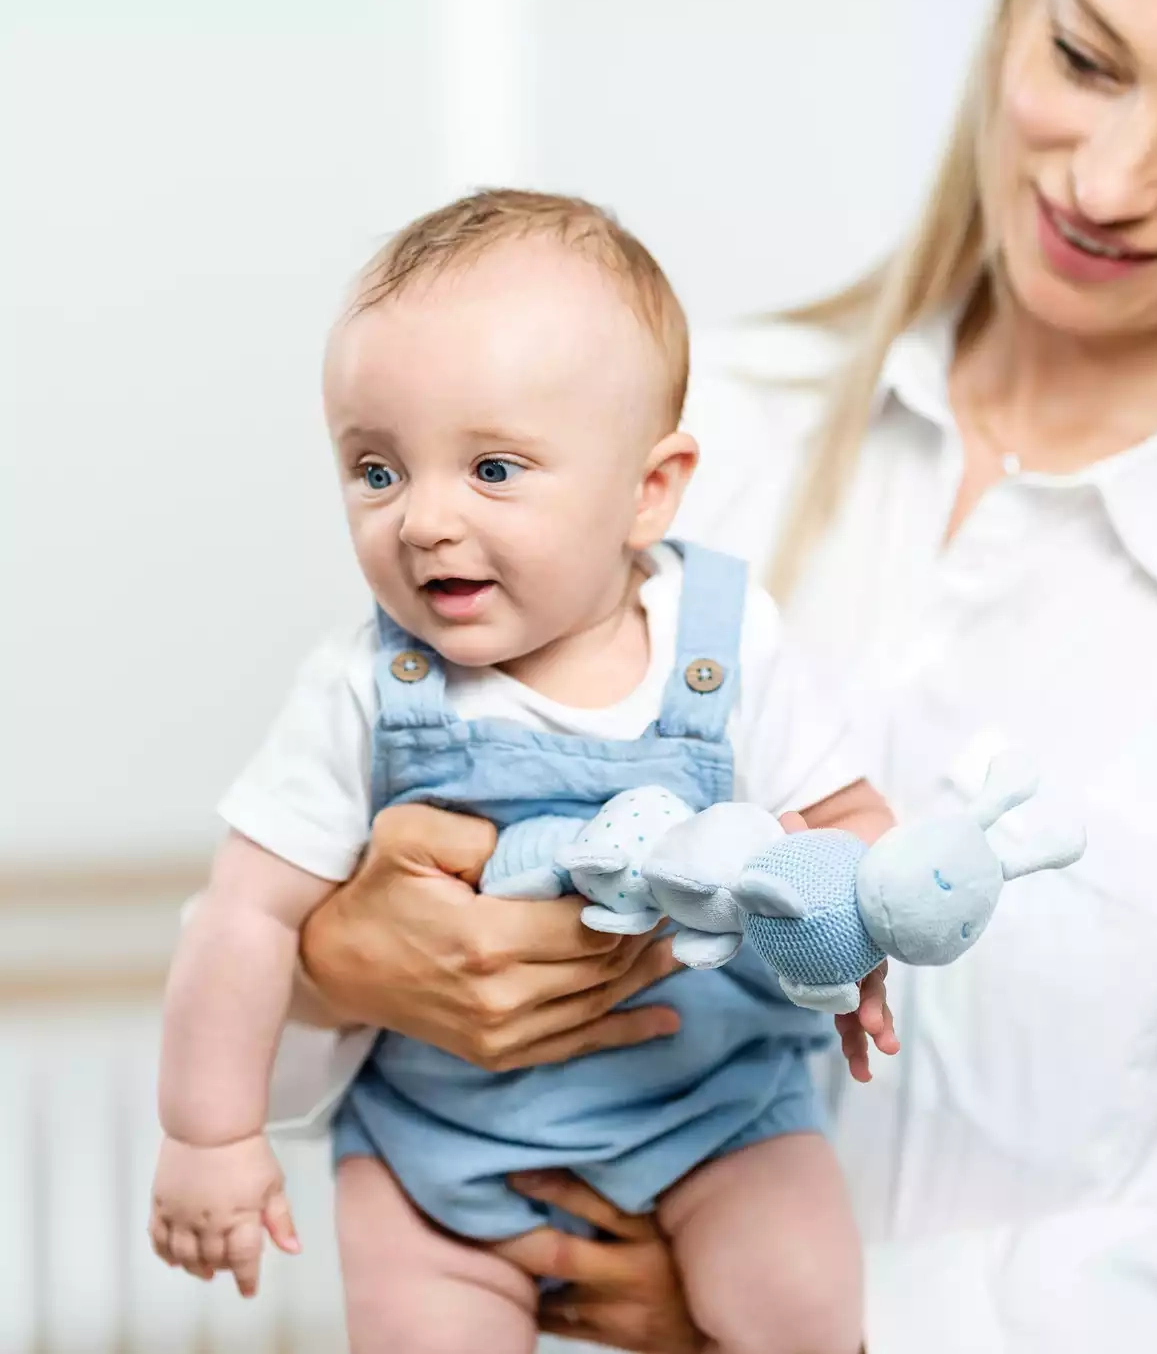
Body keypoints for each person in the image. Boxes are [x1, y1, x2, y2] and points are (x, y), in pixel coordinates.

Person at [243, 0, 1157, 1348]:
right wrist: (339, 964)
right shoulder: (670, 437)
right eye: (1084, 59)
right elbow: (302, 873)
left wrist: (828, 1322)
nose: (1102, 180)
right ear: (1014, 4)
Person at [149, 190, 906, 1354]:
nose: (423, 520)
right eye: (376, 469)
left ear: (647, 489)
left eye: (492, 469)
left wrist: (855, 918)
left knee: (803, 1302)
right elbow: (243, 916)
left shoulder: (723, 639)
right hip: (435, 1146)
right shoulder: (363, 684)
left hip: (712, 1109)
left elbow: (847, 818)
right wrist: (209, 1135)